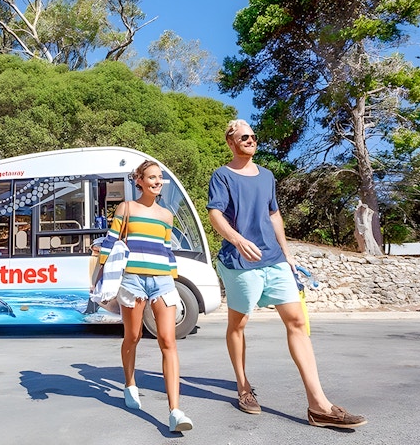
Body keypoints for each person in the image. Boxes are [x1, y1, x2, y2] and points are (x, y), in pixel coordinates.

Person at [207, 119, 367, 429]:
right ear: (231, 142)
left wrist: (288, 254)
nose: (251, 140)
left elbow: (274, 214)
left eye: (253, 136)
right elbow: (215, 213)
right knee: (238, 326)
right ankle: (243, 387)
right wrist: (237, 240)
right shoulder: (222, 175)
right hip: (240, 262)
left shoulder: (266, 176)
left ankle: (318, 404)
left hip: (274, 259)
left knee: (297, 322)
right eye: (244, 137)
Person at [99, 160, 193, 433]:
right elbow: (110, 241)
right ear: (138, 180)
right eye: (152, 177)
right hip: (133, 280)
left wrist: (172, 279)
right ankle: (130, 383)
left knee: (168, 341)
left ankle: (175, 411)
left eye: (160, 177)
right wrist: (103, 276)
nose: (157, 181)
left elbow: (167, 249)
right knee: (133, 336)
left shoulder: (167, 216)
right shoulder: (126, 209)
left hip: (162, 281)